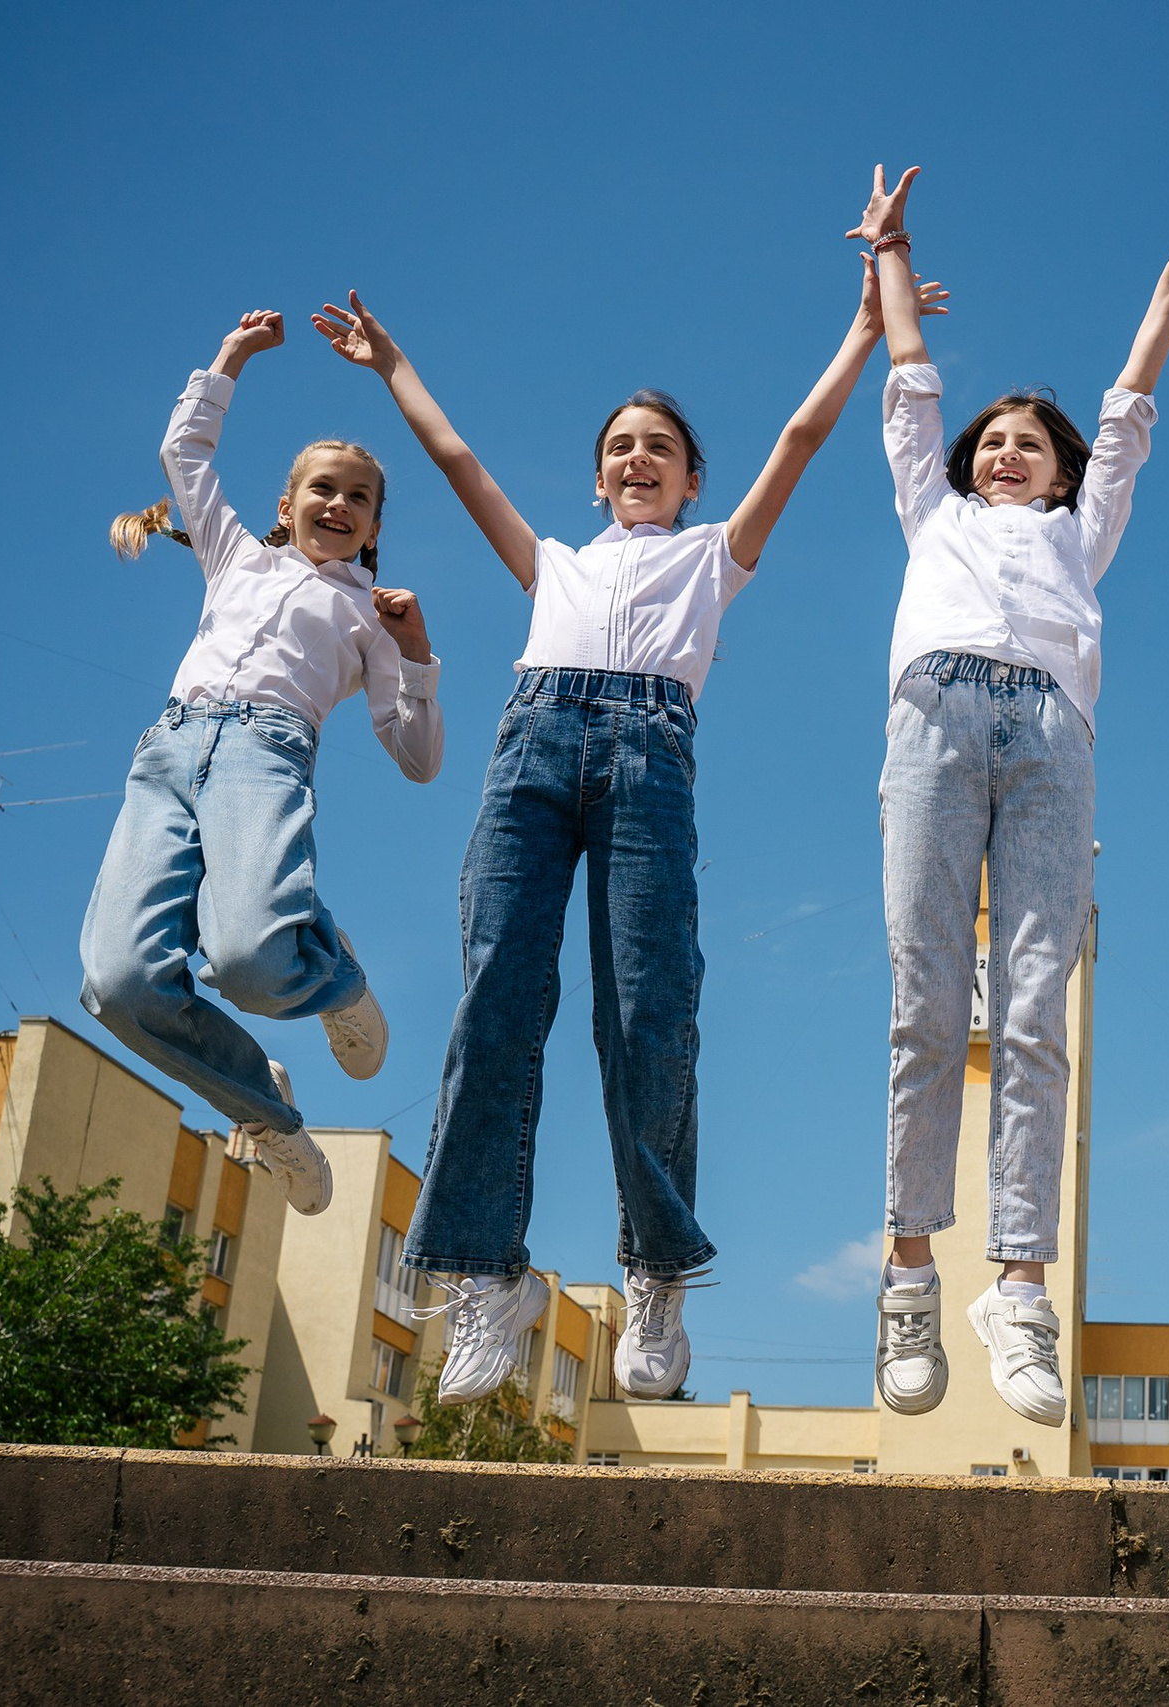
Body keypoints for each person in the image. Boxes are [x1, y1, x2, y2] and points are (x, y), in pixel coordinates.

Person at [317, 257, 937, 1403]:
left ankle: (654, 1272)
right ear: (599, 481)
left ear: (692, 481)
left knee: (646, 1013)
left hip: (651, 761)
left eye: (659, 445)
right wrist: (391, 364)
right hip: (532, 749)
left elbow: (798, 440)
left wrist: (860, 330)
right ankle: (483, 1275)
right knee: (497, 994)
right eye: (619, 447)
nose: (636, 457)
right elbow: (457, 464)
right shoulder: (553, 562)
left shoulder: (712, 560)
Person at [852, 167, 1169, 1425]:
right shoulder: (933, 515)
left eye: (1030, 440)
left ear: (1063, 474)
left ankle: (1015, 1286)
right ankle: (908, 1268)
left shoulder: (1083, 533)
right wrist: (894, 253)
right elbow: (911, 378)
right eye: (992, 439)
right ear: (967, 465)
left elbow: (1130, 408)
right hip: (933, 721)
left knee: (1032, 1014)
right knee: (926, 1001)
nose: (1005, 448)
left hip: (1053, 742)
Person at [84, 308, 440, 1220]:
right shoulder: (235, 555)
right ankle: (269, 1117)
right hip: (166, 754)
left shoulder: (370, 617)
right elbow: (185, 455)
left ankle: (333, 974)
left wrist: (419, 655)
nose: (338, 504)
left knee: (245, 960)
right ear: (286, 506)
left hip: (264, 758)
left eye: (359, 499)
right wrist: (231, 357)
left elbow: (417, 759)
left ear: (372, 528)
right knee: (118, 984)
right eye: (323, 488)